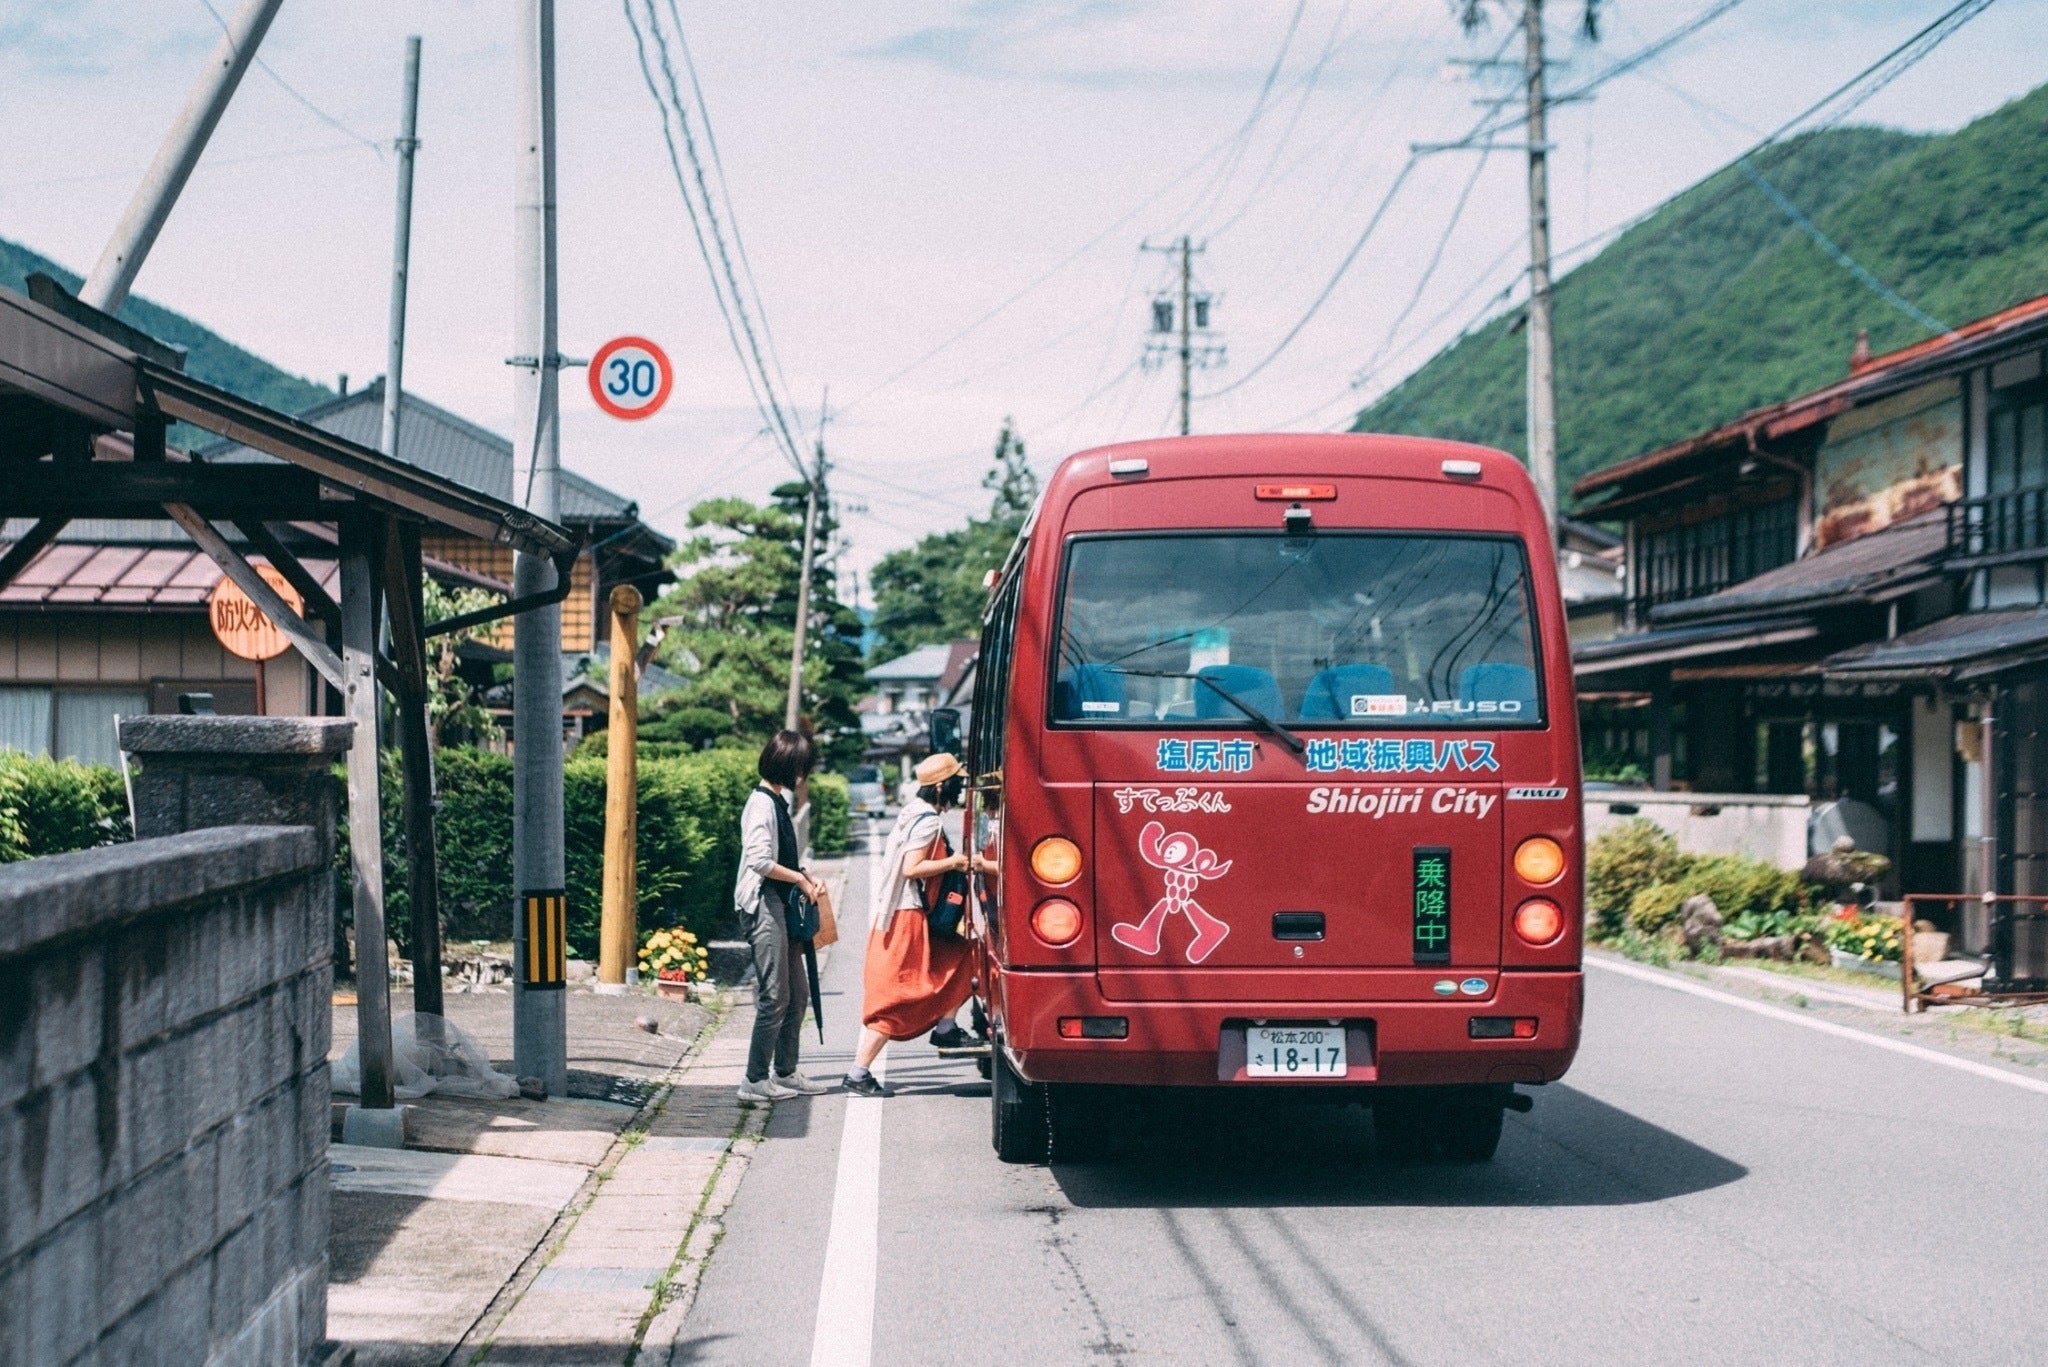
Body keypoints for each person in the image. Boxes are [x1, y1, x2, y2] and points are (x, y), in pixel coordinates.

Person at [843, 752, 978, 1097]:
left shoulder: (911, 812)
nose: (960, 788)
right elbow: (912, 868)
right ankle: (858, 1072)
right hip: (906, 916)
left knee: (965, 955)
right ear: (940, 787)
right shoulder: (928, 822)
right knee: (897, 996)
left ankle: (946, 1027)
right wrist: (955, 862)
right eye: (956, 783)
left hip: (899, 914)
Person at [734, 730, 833, 1102]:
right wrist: (801, 880)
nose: (803, 776)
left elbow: (782, 858)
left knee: (798, 993)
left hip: (781, 903)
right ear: (786, 766)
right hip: (763, 904)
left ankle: (786, 1071)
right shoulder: (761, 804)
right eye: (800, 768)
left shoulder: (777, 800)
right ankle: (754, 1080)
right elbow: (759, 861)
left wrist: (804, 875)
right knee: (775, 995)